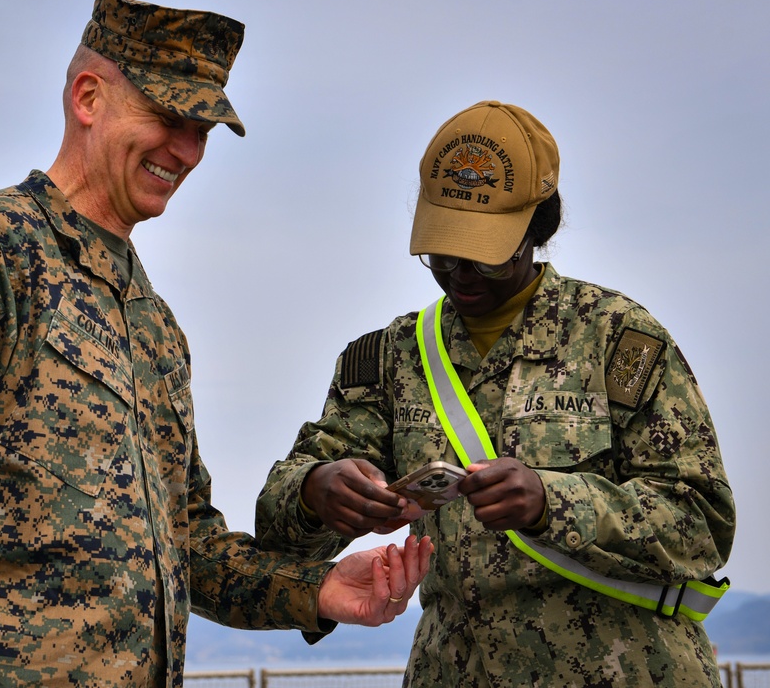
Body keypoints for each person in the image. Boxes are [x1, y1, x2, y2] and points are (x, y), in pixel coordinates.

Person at [0, 0, 433, 688]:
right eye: (167, 117)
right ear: (88, 97)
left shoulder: (155, 328)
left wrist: (317, 588)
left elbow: (190, 545)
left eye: (203, 130)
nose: (187, 150)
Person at [255, 101, 735, 686]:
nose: (460, 274)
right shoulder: (387, 359)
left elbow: (703, 524)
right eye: (442, 253)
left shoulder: (618, 340)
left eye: (483, 256)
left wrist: (551, 503)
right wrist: (315, 492)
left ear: (539, 229)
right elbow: (279, 536)